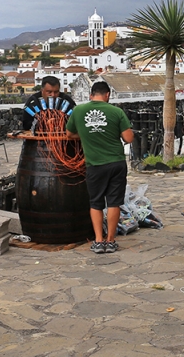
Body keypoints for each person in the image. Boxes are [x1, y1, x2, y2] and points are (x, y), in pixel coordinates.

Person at [66, 81, 134, 254]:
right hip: (116, 163)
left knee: (95, 203)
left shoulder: (78, 111)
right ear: (107, 95)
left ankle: (98, 241)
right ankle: (110, 241)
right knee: (113, 202)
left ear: (91, 95)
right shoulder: (116, 112)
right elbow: (129, 138)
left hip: (94, 165)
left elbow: (69, 134)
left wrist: (85, 134)